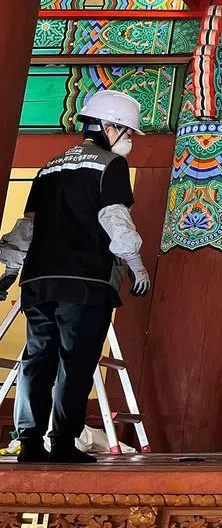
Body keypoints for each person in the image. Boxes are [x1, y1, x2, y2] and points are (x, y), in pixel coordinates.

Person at [0, 90, 151, 464]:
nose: (128, 139)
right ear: (108, 126)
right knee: (76, 361)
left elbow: (27, 228)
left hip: (38, 282)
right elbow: (114, 220)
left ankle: (30, 443)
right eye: (127, 131)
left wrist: (10, 271)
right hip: (85, 283)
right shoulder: (108, 165)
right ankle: (63, 443)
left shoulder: (49, 167)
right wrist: (137, 265)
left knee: (37, 361)